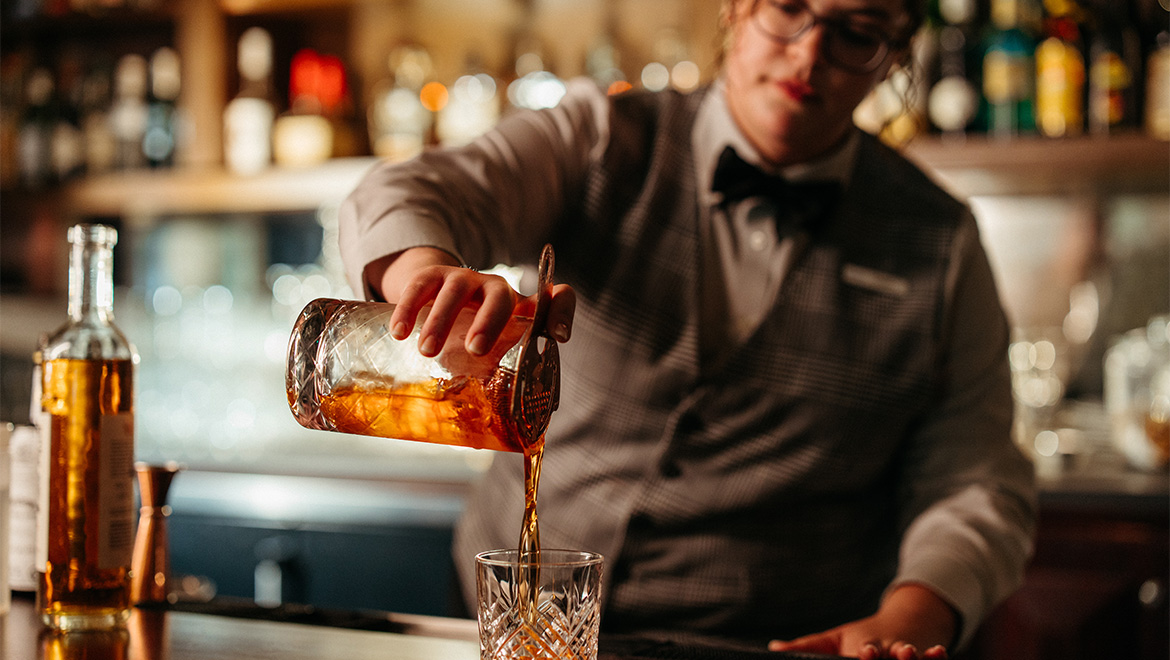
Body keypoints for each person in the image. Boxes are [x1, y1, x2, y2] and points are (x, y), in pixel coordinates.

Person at [337, 0, 1037, 657]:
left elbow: (974, 476)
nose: (810, 53)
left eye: (856, 30)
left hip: (776, 644)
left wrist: (911, 615)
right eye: (789, 7)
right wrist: (428, 277)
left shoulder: (942, 242)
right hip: (522, 626)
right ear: (736, 7)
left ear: (896, 53)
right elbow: (407, 190)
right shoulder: (599, 138)